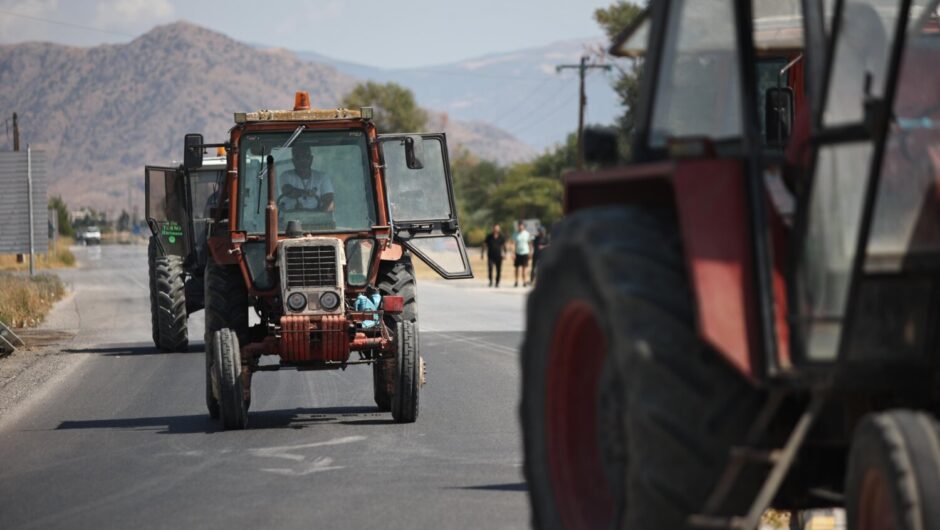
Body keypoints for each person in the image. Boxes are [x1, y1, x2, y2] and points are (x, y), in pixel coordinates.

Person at [279, 144, 335, 212]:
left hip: (317, 221)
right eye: (298, 158)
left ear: (311, 159)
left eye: (305, 157)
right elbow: (288, 191)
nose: (302, 161)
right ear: (293, 161)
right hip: (290, 220)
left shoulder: (322, 177)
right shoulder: (286, 175)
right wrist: (307, 193)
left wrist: (310, 215)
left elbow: (329, 203)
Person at [482, 223, 507, 287]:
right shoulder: (489, 236)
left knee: (498, 270)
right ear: (493, 229)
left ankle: (497, 282)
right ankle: (490, 281)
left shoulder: (501, 236)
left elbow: (504, 246)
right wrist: (482, 253)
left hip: (499, 256)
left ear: (499, 229)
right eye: (495, 228)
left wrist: (505, 254)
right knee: (490, 268)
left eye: (497, 228)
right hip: (490, 256)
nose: (496, 229)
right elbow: (484, 245)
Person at [513, 221, 533, 287]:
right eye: (519, 225)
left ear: (523, 226)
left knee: (524, 269)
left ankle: (524, 282)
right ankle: (516, 281)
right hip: (517, 253)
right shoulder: (515, 234)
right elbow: (514, 244)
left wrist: (530, 252)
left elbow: (530, 243)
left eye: (521, 225)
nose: (520, 227)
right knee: (516, 269)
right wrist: (513, 253)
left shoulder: (527, 234)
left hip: (525, 253)